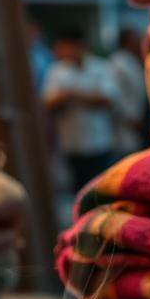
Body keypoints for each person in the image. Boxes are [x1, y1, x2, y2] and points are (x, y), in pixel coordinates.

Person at [43, 27, 117, 192]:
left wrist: (72, 94)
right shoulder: (57, 71)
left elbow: (107, 99)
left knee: (102, 187)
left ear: (80, 46)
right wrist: (83, 97)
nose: (63, 51)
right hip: (71, 142)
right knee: (78, 188)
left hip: (99, 140)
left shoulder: (101, 67)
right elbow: (49, 103)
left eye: (67, 47)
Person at [108, 28, 149, 156]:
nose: (139, 41)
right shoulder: (118, 63)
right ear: (127, 41)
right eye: (136, 38)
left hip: (137, 121)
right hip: (127, 123)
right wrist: (131, 118)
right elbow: (116, 96)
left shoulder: (132, 60)